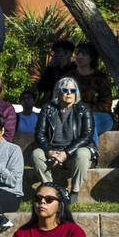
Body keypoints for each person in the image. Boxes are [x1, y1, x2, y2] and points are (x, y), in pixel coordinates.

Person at [31, 76, 95, 204]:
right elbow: (40, 134)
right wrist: (49, 152)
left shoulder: (83, 109)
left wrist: (66, 153)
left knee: (83, 153)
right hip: (53, 154)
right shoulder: (48, 108)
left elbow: (87, 136)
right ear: (58, 92)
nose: (69, 93)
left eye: (73, 90)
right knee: (36, 154)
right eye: (65, 89)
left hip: (73, 155)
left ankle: (74, 193)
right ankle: (51, 190)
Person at [72, 42, 113, 140]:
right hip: (74, 117)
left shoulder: (101, 78)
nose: (79, 57)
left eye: (84, 54)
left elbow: (106, 105)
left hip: (102, 117)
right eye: (77, 54)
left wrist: (85, 111)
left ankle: (88, 153)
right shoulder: (69, 77)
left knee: (89, 120)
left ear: (91, 58)